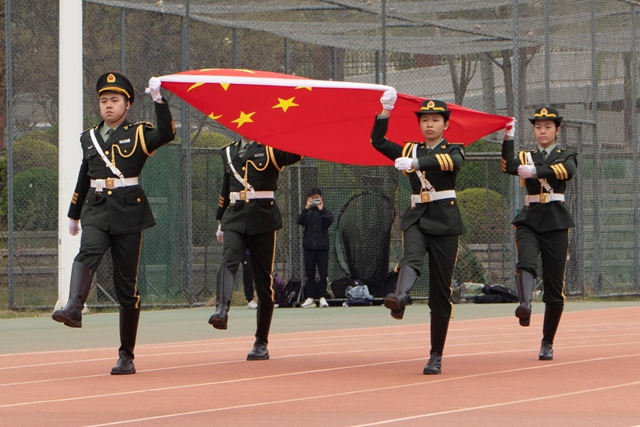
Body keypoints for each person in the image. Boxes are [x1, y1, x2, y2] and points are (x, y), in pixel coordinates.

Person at [52, 72, 176, 375]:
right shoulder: (89, 137)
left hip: (128, 211)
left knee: (126, 286)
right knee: (88, 251)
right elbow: (84, 176)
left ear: (127, 104)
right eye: (104, 100)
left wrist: (159, 100)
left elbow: (166, 133)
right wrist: (74, 213)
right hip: (97, 209)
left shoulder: (139, 133)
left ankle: (126, 355)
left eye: (115, 100)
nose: (108, 105)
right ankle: (74, 306)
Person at [371, 89, 465, 375]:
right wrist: (385, 112)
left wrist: (416, 164)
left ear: (446, 124)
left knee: (440, 291)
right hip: (417, 217)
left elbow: (451, 163)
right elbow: (378, 142)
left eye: (435, 120)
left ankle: (436, 354)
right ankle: (399, 296)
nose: (429, 124)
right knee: (411, 255)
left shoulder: (454, 148)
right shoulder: (410, 149)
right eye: (424, 120)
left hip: (445, 221)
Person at [209, 136, 301, 361]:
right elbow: (226, 188)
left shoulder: (270, 148)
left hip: (262, 218)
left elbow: (295, 152)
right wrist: (220, 220)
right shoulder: (228, 152)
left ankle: (261, 341)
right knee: (229, 259)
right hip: (235, 216)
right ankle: (221, 310)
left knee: (263, 281)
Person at [501, 107, 577, 361]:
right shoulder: (526, 156)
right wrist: (508, 138)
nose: (542, 131)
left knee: (554, 288)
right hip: (530, 219)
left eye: (547, 127)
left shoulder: (566, 155)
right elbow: (508, 166)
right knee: (526, 261)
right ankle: (524, 304)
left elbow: (567, 171)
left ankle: (547, 341)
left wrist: (535, 172)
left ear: (557, 130)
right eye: (538, 127)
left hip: (556, 221)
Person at [297, 188, 333, 308]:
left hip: (322, 247)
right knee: (310, 273)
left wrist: (321, 210)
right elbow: (299, 221)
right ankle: (310, 296)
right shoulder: (307, 212)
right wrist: (306, 207)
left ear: (321, 198)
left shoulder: (325, 212)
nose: (315, 200)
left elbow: (329, 221)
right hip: (309, 247)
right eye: (313, 198)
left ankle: (323, 296)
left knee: (323, 273)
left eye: (317, 198)